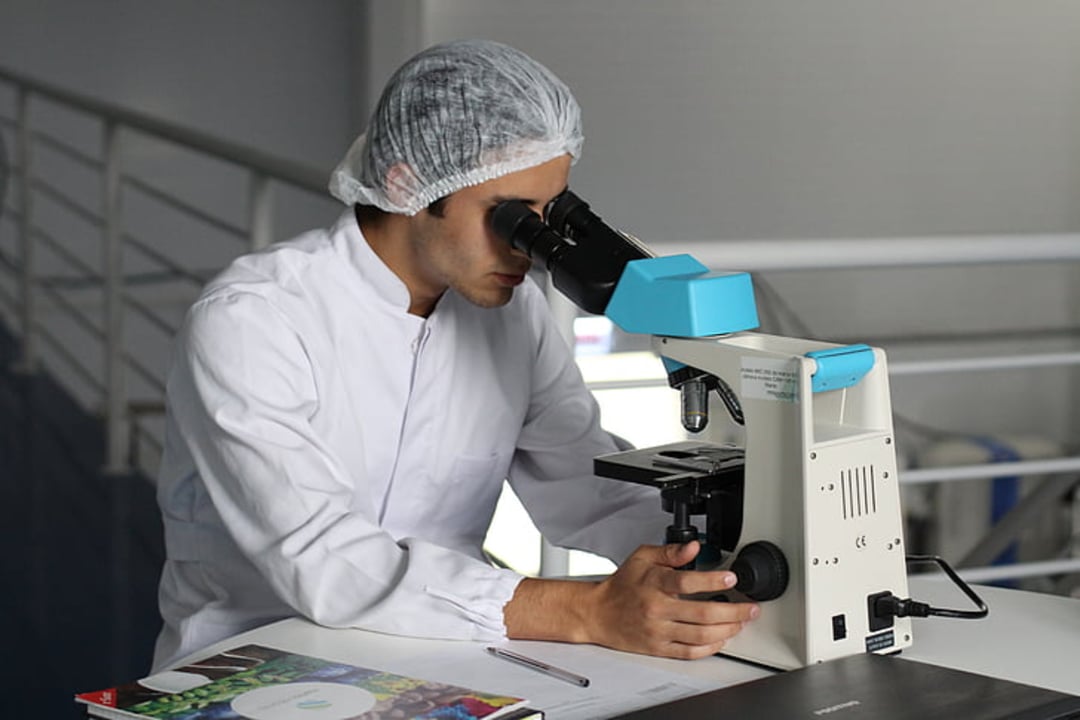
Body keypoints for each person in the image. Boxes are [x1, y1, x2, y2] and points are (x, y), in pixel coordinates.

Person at [151, 38, 758, 672]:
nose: (528, 247)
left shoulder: (512, 315)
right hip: (256, 661)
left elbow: (587, 488)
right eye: (510, 217)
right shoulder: (255, 319)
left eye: (549, 213)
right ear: (408, 184)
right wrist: (588, 611)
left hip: (446, 654)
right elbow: (322, 558)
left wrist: (712, 558)